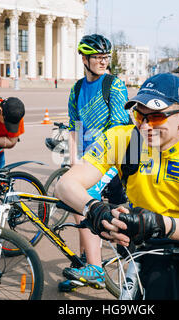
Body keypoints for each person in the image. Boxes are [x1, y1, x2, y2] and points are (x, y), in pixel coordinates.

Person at [56, 73, 179, 299]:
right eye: (138, 115)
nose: (144, 126)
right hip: (143, 242)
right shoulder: (124, 141)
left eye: (156, 117)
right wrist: (94, 208)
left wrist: (161, 224)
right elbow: (65, 184)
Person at [59, 34, 130, 291]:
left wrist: (90, 160)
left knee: (83, 195)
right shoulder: (77, 89)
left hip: (113, 155)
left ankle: (96, 269)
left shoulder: (114, 85)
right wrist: (74, 160)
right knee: (74, 202)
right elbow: (74, 126)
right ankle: (84, 266)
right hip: (91, 159)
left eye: (106, 57)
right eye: (98, 57)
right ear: (84, 59)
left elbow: (119, 128)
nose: (103, 61)